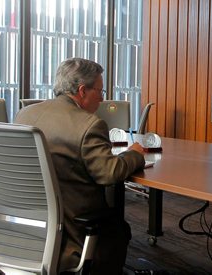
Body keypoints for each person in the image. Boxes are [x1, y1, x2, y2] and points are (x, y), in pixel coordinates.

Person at [15, 58, 145, 274]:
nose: (102, 99)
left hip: (26, 226)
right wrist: (135, 154)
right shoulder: (89, 124)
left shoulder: (24, 114)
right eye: (100, 92)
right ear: (82, 90)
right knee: (118, 228)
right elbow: (109, 173)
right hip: (71, 233)